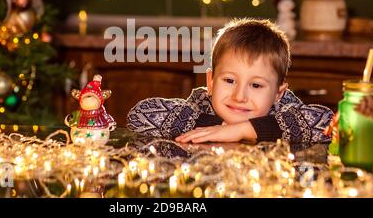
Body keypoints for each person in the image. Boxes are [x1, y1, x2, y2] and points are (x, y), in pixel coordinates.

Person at [126, 18, 333, 144]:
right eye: (229, 80)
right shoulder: (201, 104)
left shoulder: (283, 108)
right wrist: (214, 127)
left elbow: (326, 123)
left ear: (278, 93)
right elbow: (140, 115)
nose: (239, 96)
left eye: (256, 85)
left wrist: (243, 130)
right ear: (211, 82)